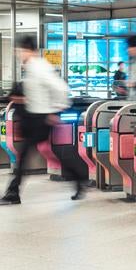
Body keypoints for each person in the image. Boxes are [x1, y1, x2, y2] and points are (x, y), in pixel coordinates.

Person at [0, 36, 87, 205]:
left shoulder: (40, 67)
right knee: (49, 153)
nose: (19, 54)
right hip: (34, 118)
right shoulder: (30, 68)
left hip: (41, 118)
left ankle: (13, 193)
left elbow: (61, 88)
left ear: (29, 50)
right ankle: (79, 179)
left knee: (24, 156)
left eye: (21, 51)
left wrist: (56, 110)